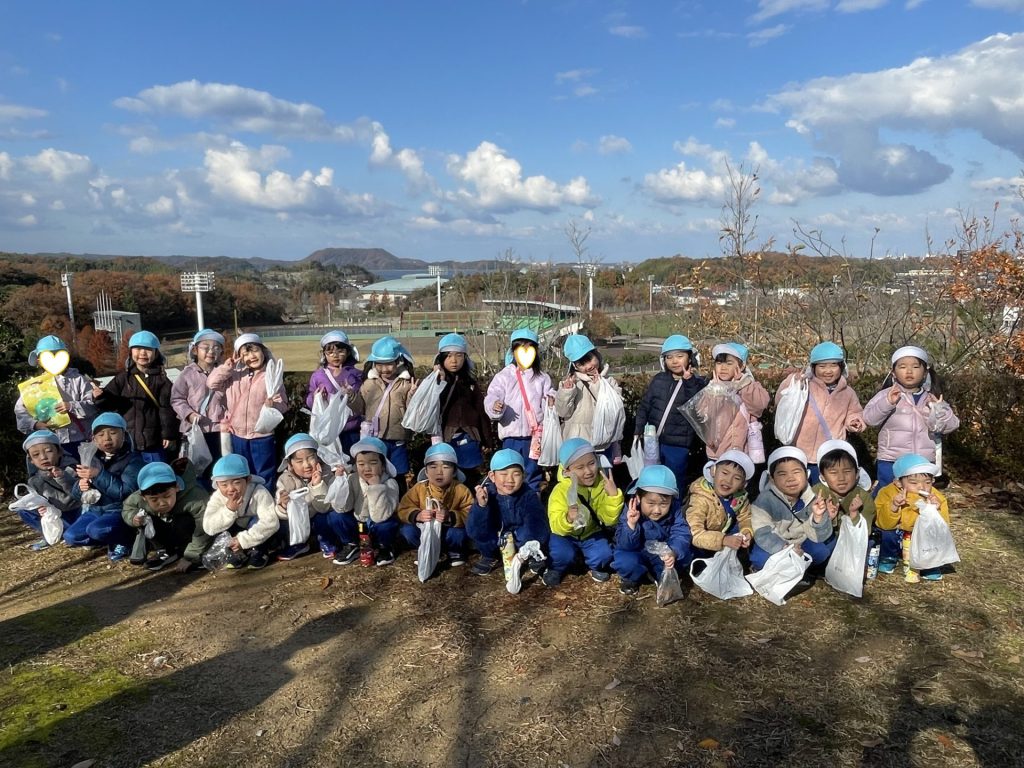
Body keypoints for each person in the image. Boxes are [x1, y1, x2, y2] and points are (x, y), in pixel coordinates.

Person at [863, 346, 959, 490]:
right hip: (891, 459)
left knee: (918, 498)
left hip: (923, 460)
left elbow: (952, 425)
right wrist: (888, 403)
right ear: (893, 373)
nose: (909, 371)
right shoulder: (886, 395)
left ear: (925, 372)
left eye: (915, 366)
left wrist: (937, 409)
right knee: (888, 494)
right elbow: (869, 419)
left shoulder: (932, 398)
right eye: (902, 367)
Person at [206, 333, 289, 491]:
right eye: (245, 353)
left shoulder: (271, 376)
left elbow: (283, 404)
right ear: (239, 356)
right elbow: (211, 383)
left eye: (255, 351)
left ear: (263, 351)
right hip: (237, 435)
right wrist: (227, 367)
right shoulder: (234, 374)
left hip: (262, 435)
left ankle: (265, 505)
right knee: (242, 473)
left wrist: (272, 406)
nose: (251, 356)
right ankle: (246, 503)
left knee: (264, 473)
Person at [775, 342, 866, 484]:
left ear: (841, 367)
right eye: (822, 366)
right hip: (800, 450)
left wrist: (855, 422)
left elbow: (854, 412)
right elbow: (781, 402)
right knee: (800, 490)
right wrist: (791, 383)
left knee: (824, 494)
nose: (828, 371)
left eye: (833, 365)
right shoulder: (805, 385)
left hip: (829, 454)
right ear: (813, 367)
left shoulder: (848, 393)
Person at [63, 412, 145, 560]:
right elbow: (77, 494)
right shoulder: (91, 458)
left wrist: (98, 475)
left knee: (97, 529)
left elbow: (125, 491)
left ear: (124, 435)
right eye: (100, 435)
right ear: (94, 439)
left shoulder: (133, 459)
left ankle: (125, 540)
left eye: (113, 433)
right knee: (71, 536)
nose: (107, 438)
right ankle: (108, 539)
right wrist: (80, 487)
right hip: (95, 509)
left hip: (120, 510)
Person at [544, 438, 623, 587]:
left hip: (590, 533)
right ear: (567, 471)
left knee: (604, 554)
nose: (588, 471)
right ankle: (556, 568)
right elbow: (555, 524)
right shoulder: (560, 491)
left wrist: (613, 497)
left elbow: (609, 520)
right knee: (561, 554)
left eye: (592, 463)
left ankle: (593, 565)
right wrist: (567, 518)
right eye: (579, 467)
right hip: (566, 535)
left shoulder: (601, 485)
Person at [483, 328, 554, 492]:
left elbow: (550, 395)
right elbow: (492, 395)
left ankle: (532, 503)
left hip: (535, 436)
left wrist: (551, 401)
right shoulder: (504, 376)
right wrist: (495, 405)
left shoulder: (542, 377)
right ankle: (511, 504)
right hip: (511, 437)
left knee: (532, 472)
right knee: (511, 473)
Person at [634, 335, 707, 493]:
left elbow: (696, 405)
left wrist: (689, 381)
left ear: (690, 358)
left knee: (674, 478)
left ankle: (675, 509)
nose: (674, 361)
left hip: (678, 443)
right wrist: (638, 428)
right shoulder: (659, 380)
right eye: (669, 357)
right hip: (653, 439)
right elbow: (645, 405)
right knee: (652, 477)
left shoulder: (697, 383)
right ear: (663, 361)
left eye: (680, 356)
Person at [92, 330, 177, 464]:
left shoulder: (162, 381)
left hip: (153, 441)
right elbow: (108, 405)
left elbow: (167, 409)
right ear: (131, 352)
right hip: (127, 440)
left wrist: (168, 434)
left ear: (156, 353)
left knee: (155, 475)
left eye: (148, 349)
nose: (142, 353)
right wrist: (100, 397)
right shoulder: (122, 378)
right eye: (138, 349)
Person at [749, 447, 835, 574]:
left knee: (825, 547)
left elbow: (817, 535)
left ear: (806, 474)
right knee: (760, 559)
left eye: (796, 472)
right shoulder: (764, 500)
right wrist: (786, 549)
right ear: (772, 478)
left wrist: (818, 517)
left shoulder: (812, 497)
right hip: (777, 545)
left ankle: (798, 569)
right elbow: (763, 532)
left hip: (802, 543)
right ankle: (792, 568)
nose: (790, 479)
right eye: (782, 474)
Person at [466, 448, 550, 576]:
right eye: (504, 474)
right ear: (492, 476)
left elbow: (538, 522)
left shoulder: (528, 495)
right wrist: (481, 506)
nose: (510, 479)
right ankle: (489, 556)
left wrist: (533, 542)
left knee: (529, 528)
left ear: (523, 475)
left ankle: (531, 555)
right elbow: (474, 529)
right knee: (482, 530)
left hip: (521, 539)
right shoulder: (488, 494)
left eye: (516, 474)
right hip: (497, 537)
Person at [348, 336, 416, 495]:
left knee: (398, 475)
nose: (385, 369)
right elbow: (360, 409)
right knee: (375, 475)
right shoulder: (368, 384)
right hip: (374, 438)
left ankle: (399, 507)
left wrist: (412, 394)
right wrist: (351, 396)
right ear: (374, 364)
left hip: (398, 437)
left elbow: (412, 410)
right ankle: (375, 507)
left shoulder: (406, 384)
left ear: (397, 361)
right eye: (380, 364)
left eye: (389, 364)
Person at [612, 465, 692, 597]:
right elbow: (624, 544)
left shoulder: (675, 509)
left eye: (663, 504)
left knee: (683, 557)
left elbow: (681, 533)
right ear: (638, 497)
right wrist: (631, 525)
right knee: (625, 561)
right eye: (651, 503)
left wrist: (673, 552)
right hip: (637, 551)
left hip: (660, 552)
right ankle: (631, 578)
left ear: (671, 500)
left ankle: (657, 575)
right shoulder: (630, 510)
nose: (657, 510)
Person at [122, 459, 212, 573]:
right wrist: (133, 518)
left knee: (185, 521)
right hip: (166, 530)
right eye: (154, 499)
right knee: (146, 519)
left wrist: (191, 557)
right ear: (143, 497)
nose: (162, 503)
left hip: (189, 535)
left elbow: (203, 528)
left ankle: (187, 550)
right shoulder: (137, 498)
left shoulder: (196, 498)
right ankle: (165, 552)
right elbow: (128, 507)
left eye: (167, 496)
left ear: (177, 487)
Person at [15, 335, 96, 459]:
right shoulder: (34, 386)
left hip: (80, 439)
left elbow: (93, 405)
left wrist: (71, 406)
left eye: (58, 354)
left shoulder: (78, 379)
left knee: (81, 474)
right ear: (39, 360)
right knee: (55, 476)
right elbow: (21, 412)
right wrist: (35, 424)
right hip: (49, 444)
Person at [397, 442, 473, 574]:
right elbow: (403, 508)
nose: (439, 472)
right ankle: (425, 549)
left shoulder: (461, 489)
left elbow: (470, 512)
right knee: (407, 530)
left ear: (454, 471)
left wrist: (450, 516)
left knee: (458, 534)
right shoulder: (419, 488)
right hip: (426, 531)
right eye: (433, 467)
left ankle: (454, 552)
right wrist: (418, 515)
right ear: (426, 471)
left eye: (445, 467)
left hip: (449, 531)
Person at [874, 453, 950, 582]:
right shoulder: (887, 493)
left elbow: (943, 527)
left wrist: (935, 510)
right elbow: (882, 523)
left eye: (927, 482)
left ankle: (929, 565)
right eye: (913, 482)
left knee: (932, 537)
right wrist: (893, 505)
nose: (922, 487)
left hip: (921, 539)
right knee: (885, 533)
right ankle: (888, 557)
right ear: (898, 483)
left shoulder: (937, 497)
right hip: (898, 534)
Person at [433, 333, 494, 488]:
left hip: (470, 437)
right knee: (447, 477)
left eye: (459, 355)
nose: (454, 360)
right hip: (445, 438)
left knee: (470, 477)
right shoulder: (435, 382)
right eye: (448, 356)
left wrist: (487, 439)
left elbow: (481, 411)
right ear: (441, 359)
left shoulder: (470, 384)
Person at [330, 437, 401, 566]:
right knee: (335, 516)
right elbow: (342, 508)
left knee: (387, 525)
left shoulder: (390, 483)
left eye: (373, 463)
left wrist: (375, 488)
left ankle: (385, 547)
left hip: (377, 526)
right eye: (361, 464)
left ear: (383, 465)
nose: (367, 468)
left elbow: (380, 516)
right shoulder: (353, 479)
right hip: (359, 525)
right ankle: (352, 545)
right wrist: (340, 485)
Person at [170, 328, 228, 488]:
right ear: (195, 350)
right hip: (194, 431)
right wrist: (188, 414)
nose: (211, 351)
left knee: (217, 468)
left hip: (218, 429)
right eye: (206, 347)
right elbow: (176, 398)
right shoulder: (187, 374)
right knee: (193, 469)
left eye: (216, 347)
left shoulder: (225, 373)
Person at [202, 453, 280, 570]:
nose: (230, 489)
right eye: (224, 484)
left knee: (256, 521)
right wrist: (229, 510)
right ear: (217, 484)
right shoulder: (218, 497)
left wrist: (243, 540)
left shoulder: (259, 492)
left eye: (236, 482)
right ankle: (237, 553)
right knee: (222, 526)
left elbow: (271, 522)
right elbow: (208, 526)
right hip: (236, 532)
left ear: (248, 479)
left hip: (255, 532)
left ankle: (259, 551)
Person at [555, 334, 625, 463]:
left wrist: (598, 385)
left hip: (603, 443)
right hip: (577, 444)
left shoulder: (609, 382)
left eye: (590, 359)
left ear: (596, 354)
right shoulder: (571, 383)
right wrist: (567, 391)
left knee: (602, 480)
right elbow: (563, 412)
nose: (588, 366)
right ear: (575, 366)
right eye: (581, 364)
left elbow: (616, 409)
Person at [704, 342, 770, 462]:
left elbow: (759, 406)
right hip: (717, 452)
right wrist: (717, 391)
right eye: (719, 363)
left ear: (742, 366)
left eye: (729, 363)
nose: (723, 367)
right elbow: (705, 415)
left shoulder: (751, 385)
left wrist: (743, 386)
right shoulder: (710, 387)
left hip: (742, 450)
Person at [684, 449, 755, 559]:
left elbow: (745, 517)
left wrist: (746, 531)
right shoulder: (700, 498)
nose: (728, 481)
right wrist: (723, 540)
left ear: (743, 484)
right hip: (700, 545)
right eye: (725, 473)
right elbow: (695, 534)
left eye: (737, 478)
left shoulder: (740, 497)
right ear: (713, 470)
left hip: (722, 532)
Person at [274, 433, 333, 561]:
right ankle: (298, 545)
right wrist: (283, 505)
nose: (306, 465)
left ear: (318, 457)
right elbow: (279, 512)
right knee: (283, 522)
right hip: (299, 521)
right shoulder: (285, 480)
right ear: (290, 464)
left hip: (318, 515)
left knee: (325, 518)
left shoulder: (327, 474)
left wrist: (317, 485)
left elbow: (325, 507)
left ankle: (326, 540)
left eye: (311, 458)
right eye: (299, 461)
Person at [18, 430, 81, 551]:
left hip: (77, 511)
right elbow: (40, 500)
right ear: (30, 460)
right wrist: (40, 508)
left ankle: (67, 532)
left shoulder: (72, 468)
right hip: (58, 513)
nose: (43, 457)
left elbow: (80, 495)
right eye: (36, 455)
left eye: (49, 451)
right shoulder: (34, 480)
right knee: (24, 510)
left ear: (59, 452)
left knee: (74, 535)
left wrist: (62, 477)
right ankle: (50, 534)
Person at [305, 331, 363, 454]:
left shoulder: (356, 374)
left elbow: (361, 402)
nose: (335, 355)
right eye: (330, 352)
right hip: (328, 430)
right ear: (324, 354)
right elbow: (310, 401)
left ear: (348, 352)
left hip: (351, 429)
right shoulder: (318, 375)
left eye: (340, 351)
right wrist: (316, 398)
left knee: (352, 462)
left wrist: (350, 393)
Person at [811, 439, 876, 532]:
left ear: (857, 473)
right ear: (822, 476)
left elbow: (865, 532)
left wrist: (854, 514)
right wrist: (827, 518)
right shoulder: (816, 495)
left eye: (847, 471)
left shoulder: (864, 498)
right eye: (833, 473)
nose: (841, 478)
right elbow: (811, 531)